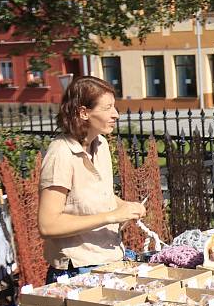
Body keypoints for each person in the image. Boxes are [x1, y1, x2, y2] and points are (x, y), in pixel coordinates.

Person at [38, 76, 146, 284]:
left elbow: (95, 195)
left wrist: (126, 207)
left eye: (114, 107)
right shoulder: (60, 154)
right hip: (77, 273)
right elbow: (48, 225)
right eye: (107, 108)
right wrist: (111, 216)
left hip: (111, 260)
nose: (115, 114)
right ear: (83, 113)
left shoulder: (101, 144)